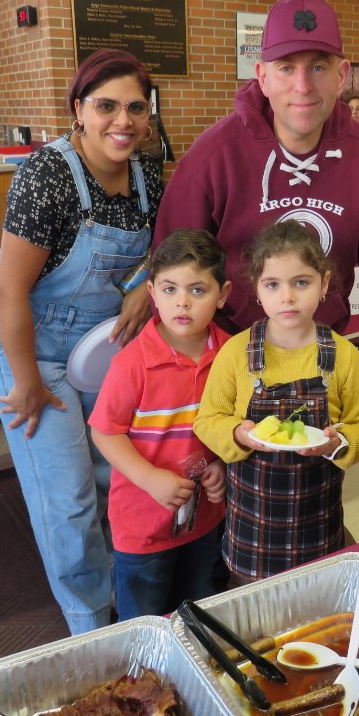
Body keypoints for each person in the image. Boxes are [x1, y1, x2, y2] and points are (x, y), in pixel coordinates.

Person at [0, 48, 163, 634]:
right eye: (106, 106)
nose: (123, 121)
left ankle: (123, 594)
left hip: (102, 344)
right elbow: (9, 291)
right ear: (78, 110)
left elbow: (163, 249)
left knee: (115, 476)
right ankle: (89, 625)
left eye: (136, 107)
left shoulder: (150, 171)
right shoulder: (47, 174)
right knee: (69, 496)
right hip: (27, 343)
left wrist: (146, 284)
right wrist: (25, 381)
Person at [153, 0, 359, 354]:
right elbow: (172, 265)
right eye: (286, 67)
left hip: (323, 353)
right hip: (228, 355)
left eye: (318, 67)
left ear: (342, 76)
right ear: (262, 76)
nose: (303, 86)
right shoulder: (214, 156)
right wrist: (183, 365)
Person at [194, 222, 359, 583]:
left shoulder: (342, 356)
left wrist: (337, 444)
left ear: (324, 284)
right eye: (273, 285)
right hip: (252, 533)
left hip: (318, 528)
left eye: (301, 282)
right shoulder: (236, 352)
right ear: (257, 290)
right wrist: (237, 434)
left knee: (316, 601)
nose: (287, 297)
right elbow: (207, 419)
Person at [89, 229, 230, 620]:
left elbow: (231, 423)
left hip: (205, 520)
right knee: (145, 619)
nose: (182, 302)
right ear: (151, 292)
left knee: (203, 608)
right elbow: (105, 430)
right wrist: (150, 478)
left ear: (223, 294)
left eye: (198, 291)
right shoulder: (132, 363)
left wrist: (222, 463)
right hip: (143, 525)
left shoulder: (231, 354)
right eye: (170, 289)